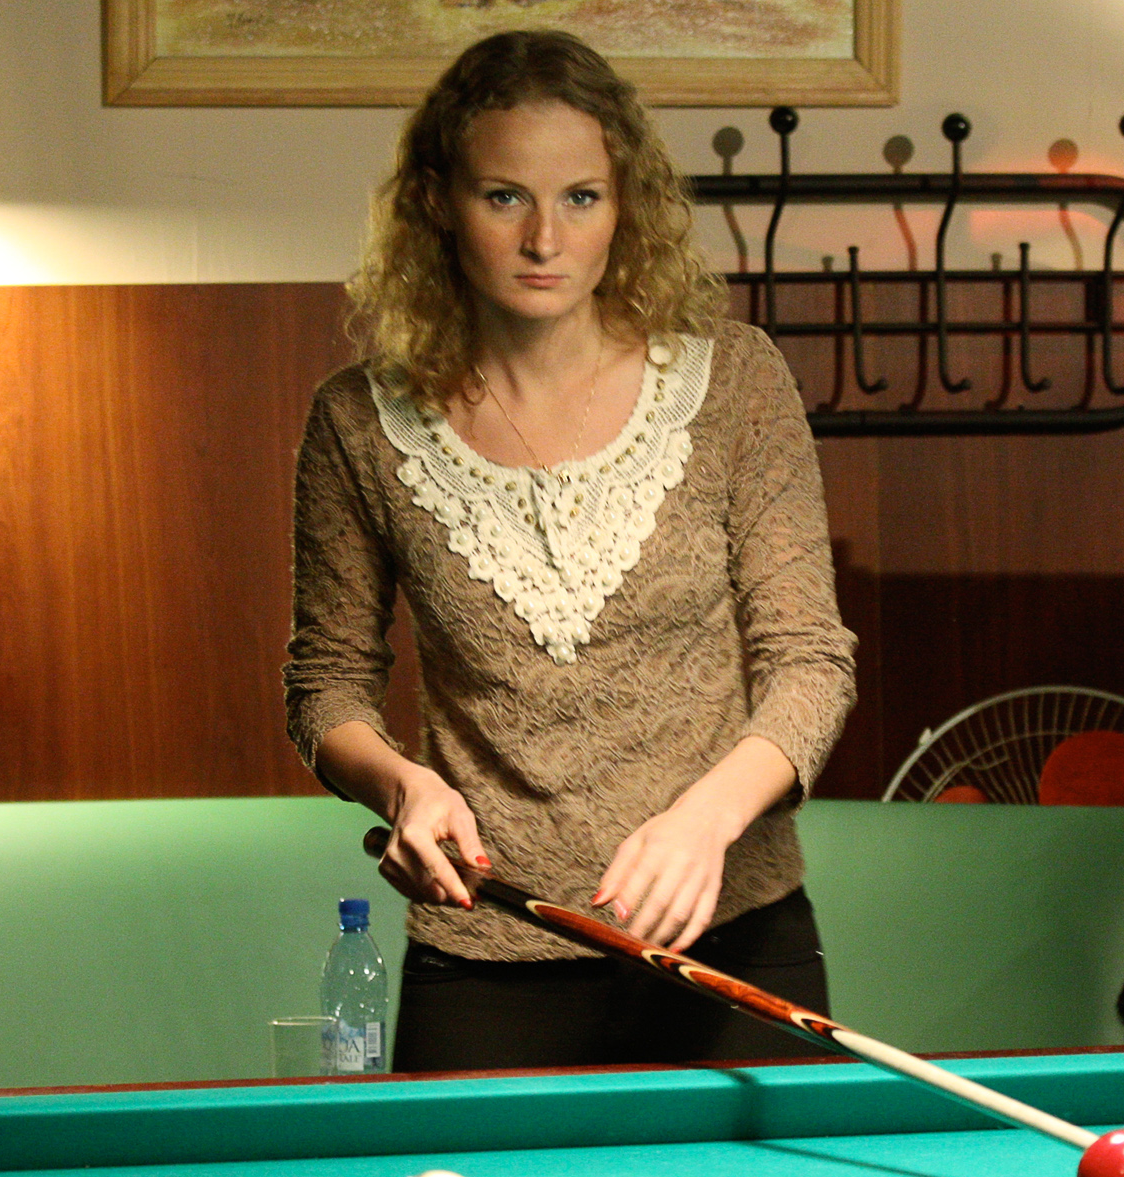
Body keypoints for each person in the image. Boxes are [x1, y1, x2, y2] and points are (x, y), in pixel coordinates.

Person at [285, 29, 856, 1072]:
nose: (544, 237)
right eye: (504, 196)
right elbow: (324, 687)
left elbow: (811, 663)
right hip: (486, 941)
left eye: (581, 198)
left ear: (623, 207)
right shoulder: (356, 422)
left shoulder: (735, 380)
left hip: (732, 937)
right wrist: (401, 786)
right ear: (436, 204)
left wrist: (706, 820)